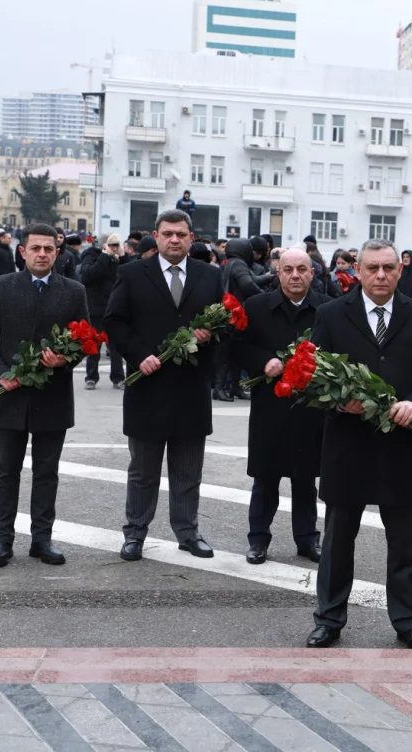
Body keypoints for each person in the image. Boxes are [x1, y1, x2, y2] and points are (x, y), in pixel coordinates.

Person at [305, 239, 412, 650]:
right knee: (337, 539)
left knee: (403, 539)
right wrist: (338, 402)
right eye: (373, 268)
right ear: (359, 270)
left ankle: (407, 621)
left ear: (400, 271)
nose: (381, 275)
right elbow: (314, 377)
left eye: (388, 267)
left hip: (400, 444)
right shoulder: (331, 314)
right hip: (347, 445)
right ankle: (329, 620)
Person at [104, 210, 223, 562]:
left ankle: (187, 532)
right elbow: (114, 322)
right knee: (143, 471)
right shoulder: (130, 273)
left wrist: (210, 336)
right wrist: (139, 356)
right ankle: (135, 533)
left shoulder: (210, 276)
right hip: (148, 386)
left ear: (191, 238)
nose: (175, 240)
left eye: (182, 234)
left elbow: (226, 326)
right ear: (155, 236)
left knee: (188, 471)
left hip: (191, 389)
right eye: (168, 233)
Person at [0, 223, 89, 568]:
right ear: (22, 252)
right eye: (35, 248)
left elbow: (84, 341)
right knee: (7, 470)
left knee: (47, 472)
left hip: (53, 395)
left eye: (48, 249)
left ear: (57, 253)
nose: (42, 254)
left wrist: (65, 358)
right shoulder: (2, 286)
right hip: (9, 395)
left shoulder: (73, 291)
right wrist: (0, 373)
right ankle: (2, 540)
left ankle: (42, 539)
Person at [237, 249, 329, 564]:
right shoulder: (258, 306)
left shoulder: (327, 310)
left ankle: (307, 540)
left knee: (306, 479)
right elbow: (238, 349)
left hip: (311, 409)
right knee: (266, 477)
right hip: (270, 407)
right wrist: (264, 362)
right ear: (277, 272)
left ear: (312, 273)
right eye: (288, 269)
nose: (294, 276)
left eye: (301, 269)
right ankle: (258, 540)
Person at [218, 238, 275, 400]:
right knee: (228, 352)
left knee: (232, 352)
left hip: (230, 312)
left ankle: (233, 387)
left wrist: (269, 277)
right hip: (236, 314)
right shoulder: (239, 264)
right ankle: (222, 388)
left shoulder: (230, 263)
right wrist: (265, 298)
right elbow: (247, 284)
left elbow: (252, 280)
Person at [79, 234, 126, 390]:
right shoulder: (91, 256)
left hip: (114, 308)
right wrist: (104, 256)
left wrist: (123, 256)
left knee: (115, 347)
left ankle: (118, 377)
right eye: (111, 245)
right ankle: (91, 377)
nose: (113, 248)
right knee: (94, 345)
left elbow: (128, 275)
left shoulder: (116, 258)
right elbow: (87, 276)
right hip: (96, 309)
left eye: (115, 245)